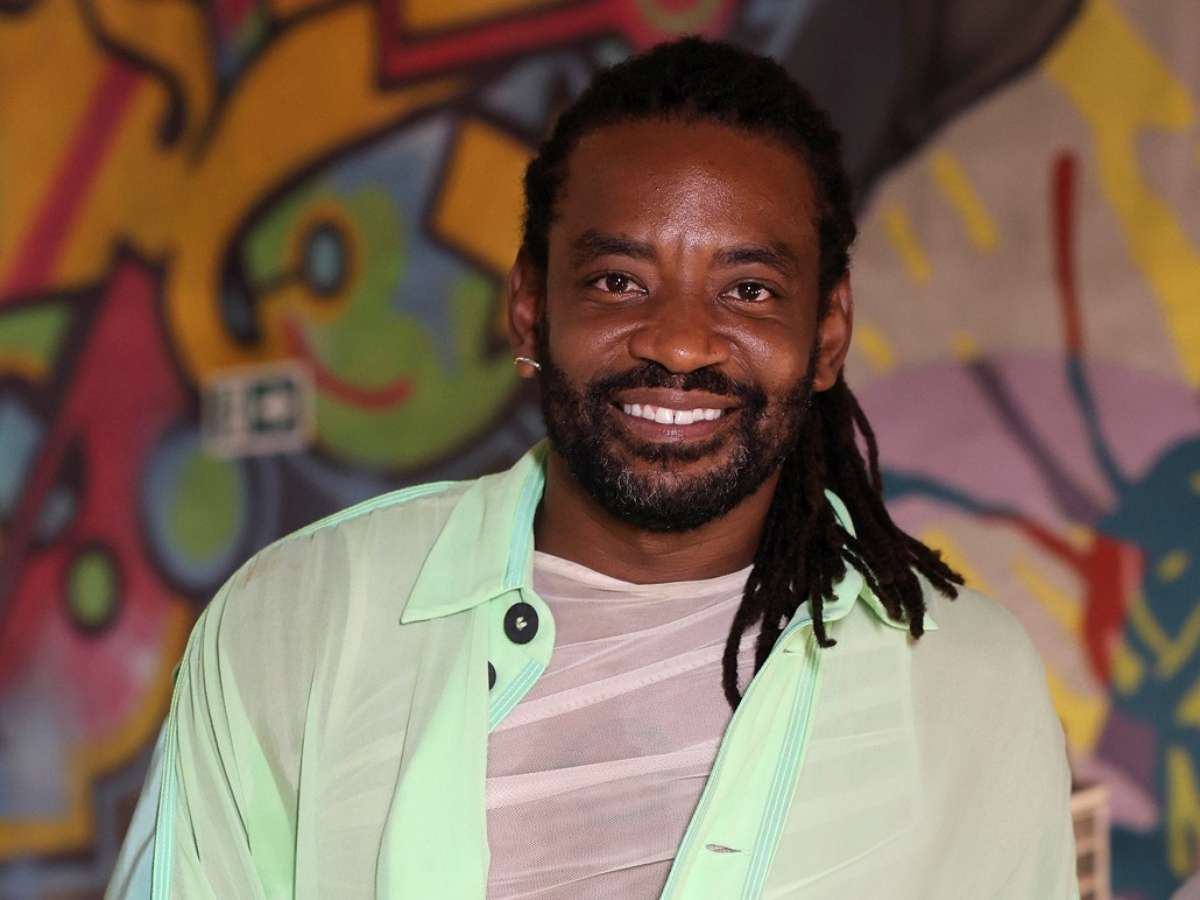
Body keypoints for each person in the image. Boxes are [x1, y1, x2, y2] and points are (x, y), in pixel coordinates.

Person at [108, 36, 1078, 899]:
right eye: (620, 281)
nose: (681, 341)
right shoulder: (299, 622)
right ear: (531, 308)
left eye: (748, 289)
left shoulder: (963, 686)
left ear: (827, 334)